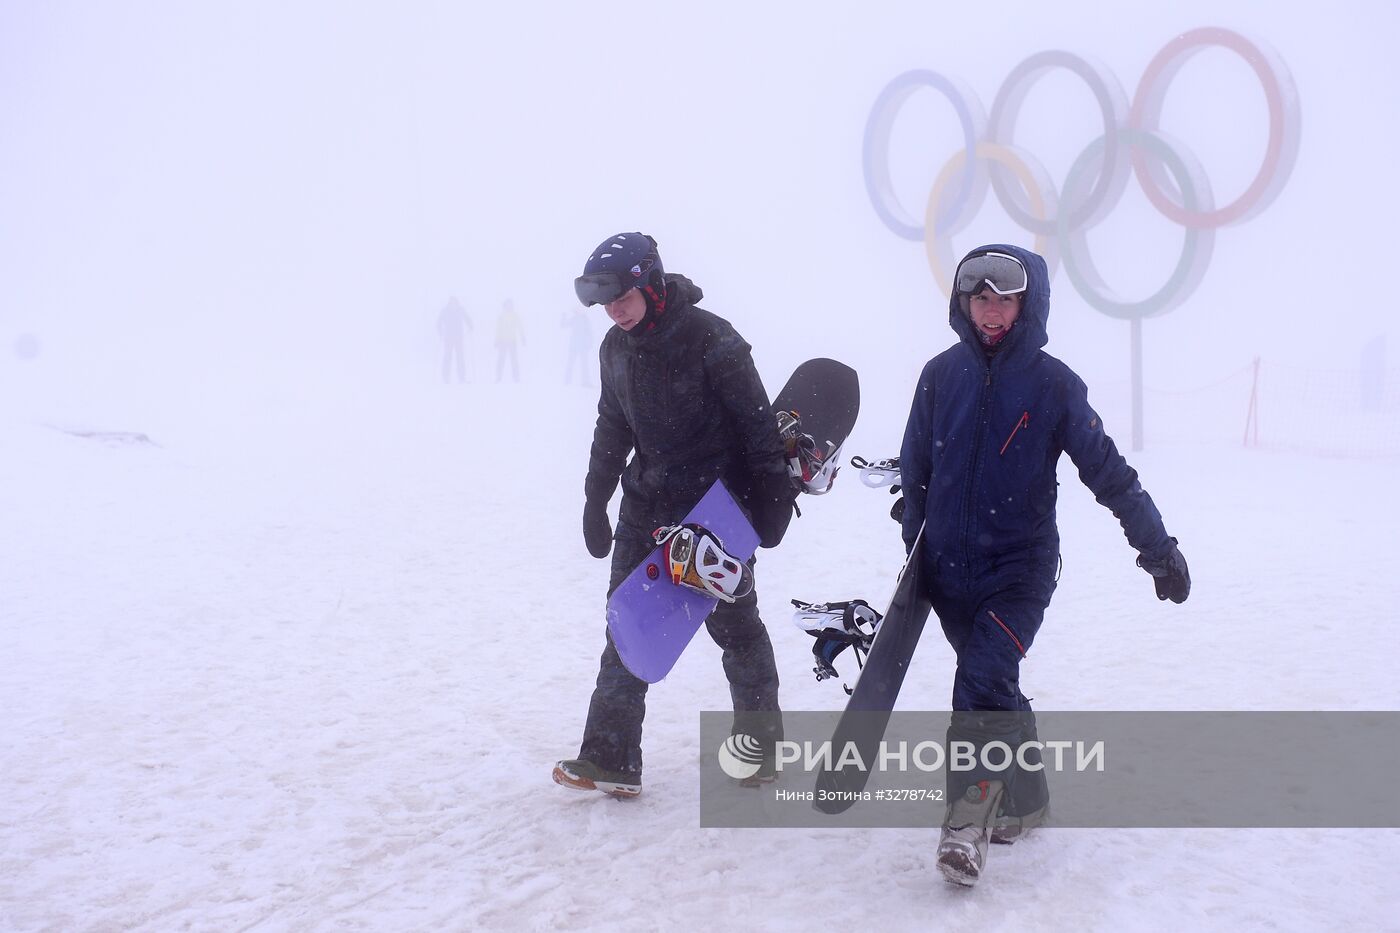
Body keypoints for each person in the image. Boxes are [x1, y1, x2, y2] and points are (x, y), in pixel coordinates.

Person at [898, 244, 1191, 887]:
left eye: (1005, 299)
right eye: (980, 298)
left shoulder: (1054, 384)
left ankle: (967, 822)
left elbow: (1109, 474)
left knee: (978, 681)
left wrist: (1158, 547)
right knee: (995, 688)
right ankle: (1025, 802)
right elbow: (916, 473)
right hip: (949, 572)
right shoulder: (938, 376)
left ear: (1027, 303)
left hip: (1019, 572)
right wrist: (913, 551)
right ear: (963, 302)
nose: (992, 311)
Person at [553, 232, 796, 799]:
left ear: (649, 282)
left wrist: (771, 499)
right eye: (604, 302)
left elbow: (758, 426)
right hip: (646, 503)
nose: (613, 311)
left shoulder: (711, 338)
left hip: (713, 511)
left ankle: (760, 750)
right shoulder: (615, 347)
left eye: (621, 296)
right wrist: (596, 497)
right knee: (628, 622)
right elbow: (612, 426)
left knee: (735, 630)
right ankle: (611, 758)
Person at [436, 296, 472, 383]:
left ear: (457, 302)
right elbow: (438, 322)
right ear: (449, 303)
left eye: (455, 302)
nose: (453, 304)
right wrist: (440, 331)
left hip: (459, 338)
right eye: (452, 302)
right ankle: (446, 377)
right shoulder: (445, 311)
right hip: (448, 338)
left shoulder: (460, 310)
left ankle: (462, 377)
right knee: (447, 357)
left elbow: (467, 318)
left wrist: (471, 325)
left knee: (460, 357)